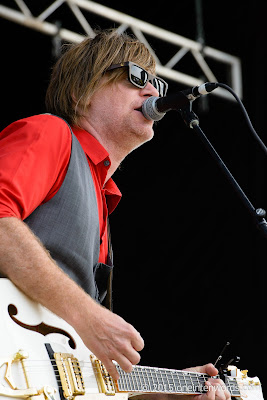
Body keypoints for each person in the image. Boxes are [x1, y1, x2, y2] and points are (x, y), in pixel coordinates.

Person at [0, 29, 230, 400]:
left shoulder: (102, 199)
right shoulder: (51, 134)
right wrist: (88, 316)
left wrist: (167, 395)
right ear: (81, 92)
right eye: (135, 76)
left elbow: (78, 379)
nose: (154, 92)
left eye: (156, 80)